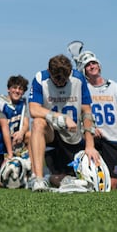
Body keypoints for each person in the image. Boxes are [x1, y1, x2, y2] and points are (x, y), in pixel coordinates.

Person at [28, 54, 100, 192]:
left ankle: (50, 178)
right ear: (49, 72)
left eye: (64, 80)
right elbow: (33, 109)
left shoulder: (78, 79)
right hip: (51, 133)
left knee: (68, 179)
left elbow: (87, 112)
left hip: (72, 136)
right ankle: (38, 179)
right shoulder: (40, 79)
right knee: (37, 123)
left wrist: (90, 146)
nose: (61, 83)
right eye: (56, 80)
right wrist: (60, 118)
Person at [79, 51, 117, 190]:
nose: (92, 66)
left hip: (113, 137)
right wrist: (87, 129)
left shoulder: (115, 86)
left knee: (111, 184)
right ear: (84, 70)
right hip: (93, 136)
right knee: (91, 180)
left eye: (94, 63)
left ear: (99, 66)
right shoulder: (83, 89)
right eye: (88, 65)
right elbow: (79, 113)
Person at [0, 74, 29, 188]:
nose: (17, 91)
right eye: (14, 88)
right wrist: (9, 155)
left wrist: (21, 132)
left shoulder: (23, 104)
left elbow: (26, 123)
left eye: (20, 89)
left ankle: (31, 172)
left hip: (12, 145)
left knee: (30, 135)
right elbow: (5, 128)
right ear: (8, 89)